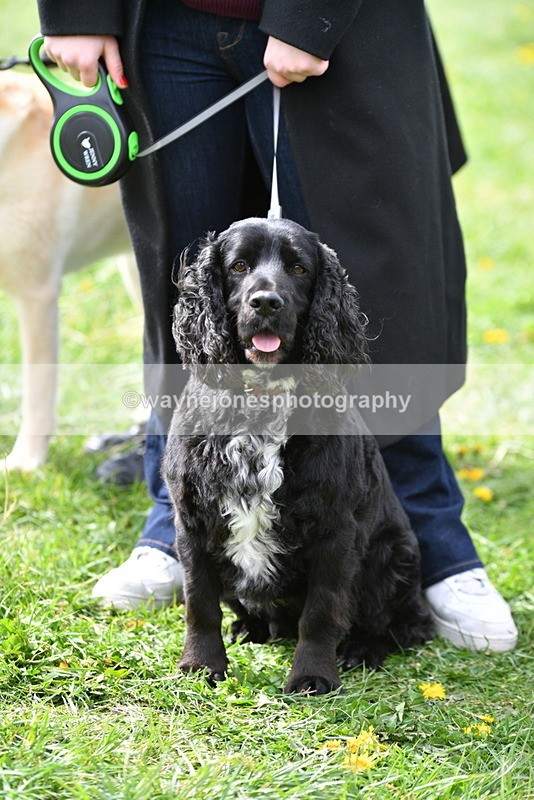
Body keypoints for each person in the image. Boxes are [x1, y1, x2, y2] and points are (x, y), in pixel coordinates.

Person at [37, 0, 517, 652]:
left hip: (340, 23)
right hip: (164, 22)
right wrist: (76, 9)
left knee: (374, 279)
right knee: (193, 283)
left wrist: (307, 15)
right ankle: (174, 523)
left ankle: (431, 534)